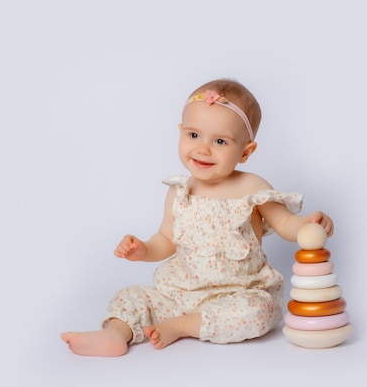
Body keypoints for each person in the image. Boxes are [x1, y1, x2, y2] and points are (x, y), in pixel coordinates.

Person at [60, 78, 334, 357]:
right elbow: (166, 239)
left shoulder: (253, 188)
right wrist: (142, 249)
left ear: (246, 151)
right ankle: (115, 334)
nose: (203, 149)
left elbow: (286, 223)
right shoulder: (181, 191)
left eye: (219, 141)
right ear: (180, 132)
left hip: (238, 294)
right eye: (193, 135)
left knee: (260, 312)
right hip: (180, 293)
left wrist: (307, 226)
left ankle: (183, 326)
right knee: (132, 296)